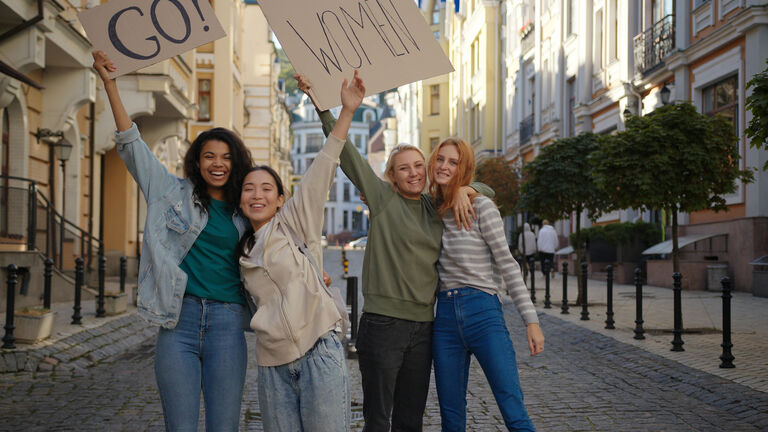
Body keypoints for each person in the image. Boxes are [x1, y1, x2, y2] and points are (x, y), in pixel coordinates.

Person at [295, 73, 493, 432]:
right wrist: (323, 103)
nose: (414, 173)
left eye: (420, 166)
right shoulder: (382, 198)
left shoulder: (437, 206)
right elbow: (348, 155)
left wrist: (467, 189)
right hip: (382, 324)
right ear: (392, 175)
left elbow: (490, 190)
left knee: (410, 419)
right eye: (405, 168)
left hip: (425, 326)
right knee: (378, 419)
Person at [92, 51, 252, 431]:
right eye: (209, 155)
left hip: (229, 324)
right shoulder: (170, 192)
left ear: (236, 163)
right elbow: (131, 146)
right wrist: (110, 83)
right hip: (177, 321)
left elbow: (284, 246)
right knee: (179, 426)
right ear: (196, 162)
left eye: (226, 157)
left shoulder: (247, 209)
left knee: (224, 426)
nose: (218, 163)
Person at [237, 71, 365, 431]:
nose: (257, 195)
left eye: (266, 189)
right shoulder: (241, 250)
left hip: (318, 355)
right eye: (249, 189)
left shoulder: (294, 222)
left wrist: (346, 111)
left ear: (280, 200)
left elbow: (324, 164)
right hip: (271, 365)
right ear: (241, 199)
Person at [429, 137, 544, 431]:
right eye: (440, 159)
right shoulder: (430, 210)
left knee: (512, 407)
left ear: (463, 168)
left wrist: (531, 320)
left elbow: (507, 263)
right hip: (444, 320)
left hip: (483, 312)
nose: (444, 166)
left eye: (453, 162)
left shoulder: (481, 207)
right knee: (451, 416)